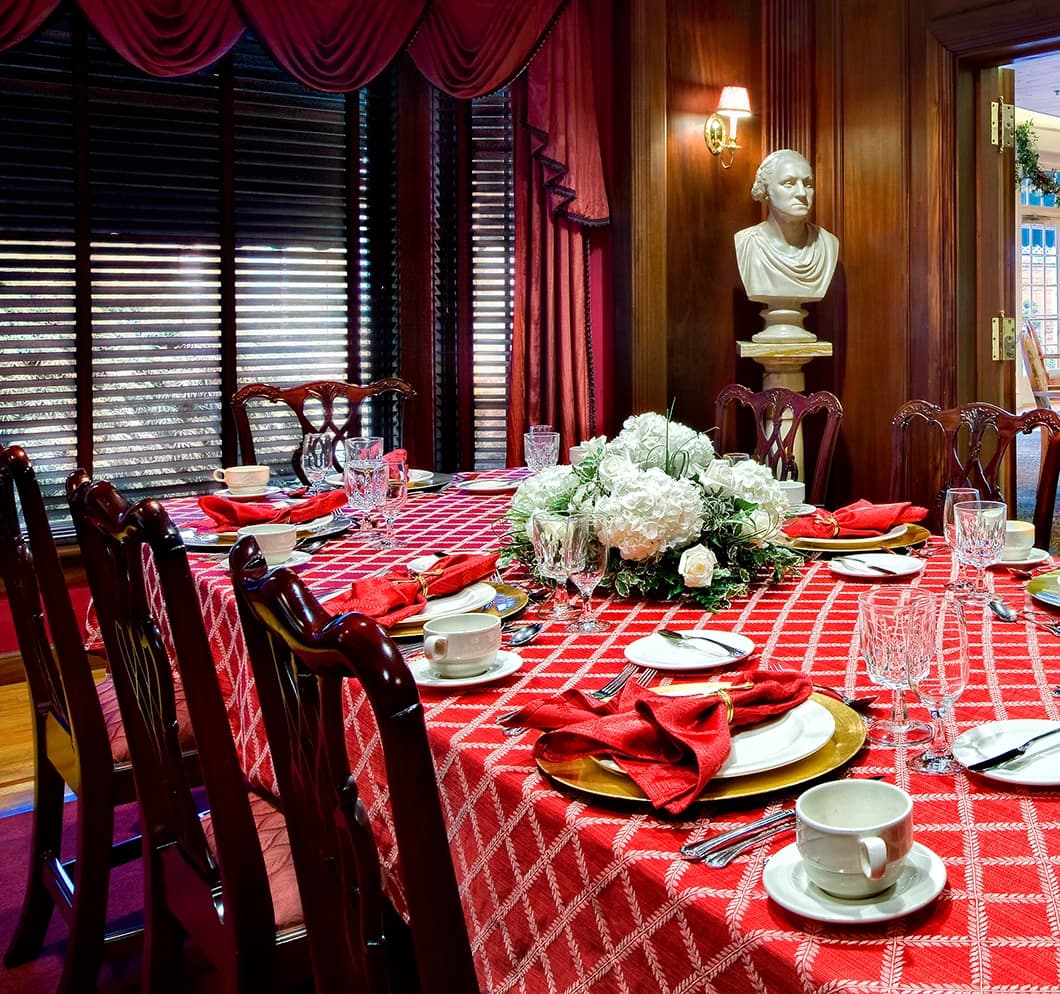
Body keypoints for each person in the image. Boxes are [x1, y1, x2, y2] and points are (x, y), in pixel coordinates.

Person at [734, 149, 839, 303]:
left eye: (808, 184)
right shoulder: (746, 244)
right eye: (789, 183)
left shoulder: (828, 244)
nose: (802, 193)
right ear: (766, 190)